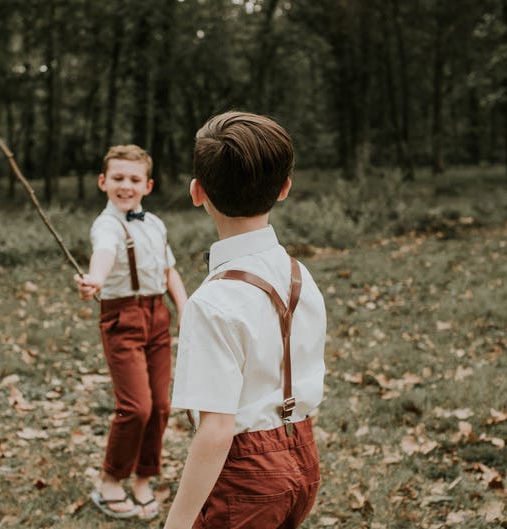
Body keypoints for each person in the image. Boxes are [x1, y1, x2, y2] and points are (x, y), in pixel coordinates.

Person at [164, 111, 326, 529]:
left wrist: (177, 523)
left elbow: (217, 429)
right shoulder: (299, 274)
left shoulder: (212, 303)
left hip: (245, 474)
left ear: (196, 192)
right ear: (285, 188)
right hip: (303, 455)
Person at [76, 144, 188, 520]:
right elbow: (104, 253)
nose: (126, 186)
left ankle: (144, 476)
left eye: (134, 179)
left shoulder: (154, 224)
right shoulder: (106, 225)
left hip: (157, 317)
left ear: (148, 185)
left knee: (160, 405)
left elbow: (169, 270)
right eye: (118, 178)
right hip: (122, 319)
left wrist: (184, 309)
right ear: (103, 181)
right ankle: (110, 481)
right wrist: (95, 279)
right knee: (135, 407)